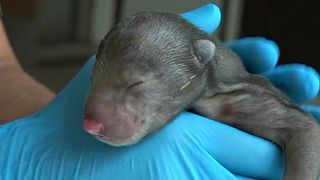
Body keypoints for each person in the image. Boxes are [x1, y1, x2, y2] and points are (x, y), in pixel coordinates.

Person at [0, 4, 319, 180]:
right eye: (95, 81)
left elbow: (307, 134)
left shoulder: (240, 99)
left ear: (199, 61)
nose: (90, 122)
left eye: (134, 86)